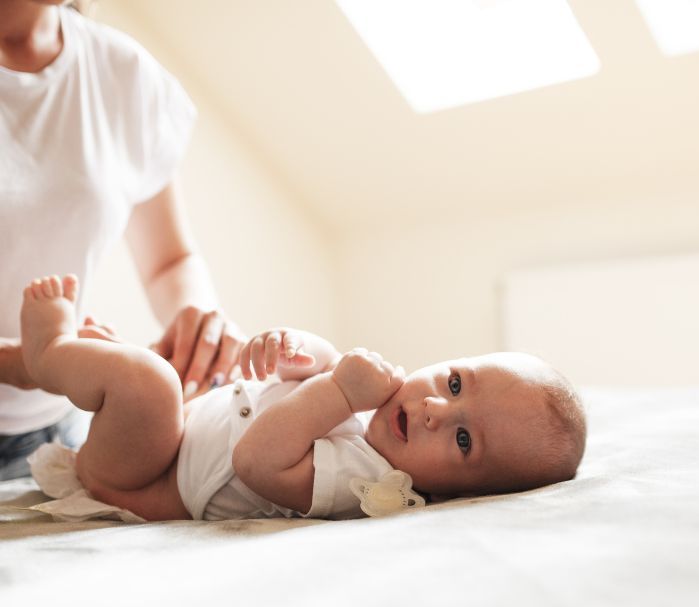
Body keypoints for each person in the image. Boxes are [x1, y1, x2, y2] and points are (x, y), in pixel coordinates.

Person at [20, 275, 587, 521]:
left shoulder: (369, 482)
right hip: (186, 428)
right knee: (155, 379)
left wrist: (339, 388)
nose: (438, 410)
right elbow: (319, 362)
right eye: (456, 383)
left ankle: (49, 354)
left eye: (464, 439)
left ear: (451, 493)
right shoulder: (379, 398)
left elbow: (256, 459)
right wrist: (294, 349)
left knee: (149, 385)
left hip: (142, 478)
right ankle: (101, 372)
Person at [0, 1, 245, 480]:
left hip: (54, 434)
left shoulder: (122, 71)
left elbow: (169, 262)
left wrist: (197, 321)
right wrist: (24, 361)